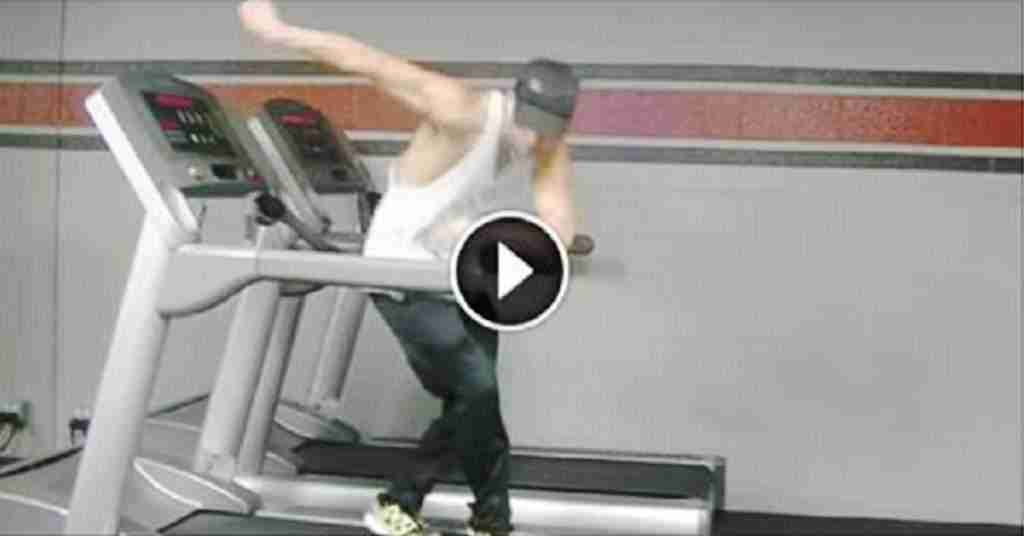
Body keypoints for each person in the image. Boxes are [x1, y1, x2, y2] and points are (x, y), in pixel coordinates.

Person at [238, 2, 579, 534]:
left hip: (464, 277)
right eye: (530, 128)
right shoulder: (459, 108)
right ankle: (424, 509)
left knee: (474, 404)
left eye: (548, 133)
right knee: (477, 395)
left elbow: (557, 217)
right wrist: (278, 33)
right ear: (515, 103)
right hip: (401, 271)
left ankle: (476, 520)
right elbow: (366, 61)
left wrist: (541, 247)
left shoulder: (551, 144)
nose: (535, 142)